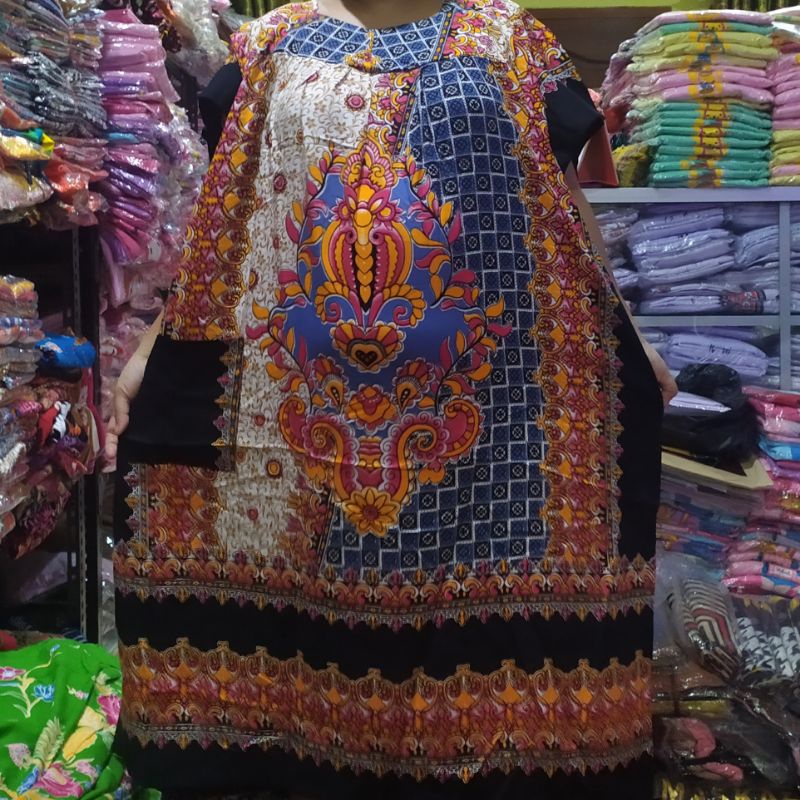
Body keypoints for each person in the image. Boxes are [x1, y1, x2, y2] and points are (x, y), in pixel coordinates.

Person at [106, 0, 677, 797]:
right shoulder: (268, 44)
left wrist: (626, 330)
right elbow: (224, 219)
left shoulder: (510, 38)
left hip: (489, 408)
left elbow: (560, 199)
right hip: (299, 405)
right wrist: (153, 343)